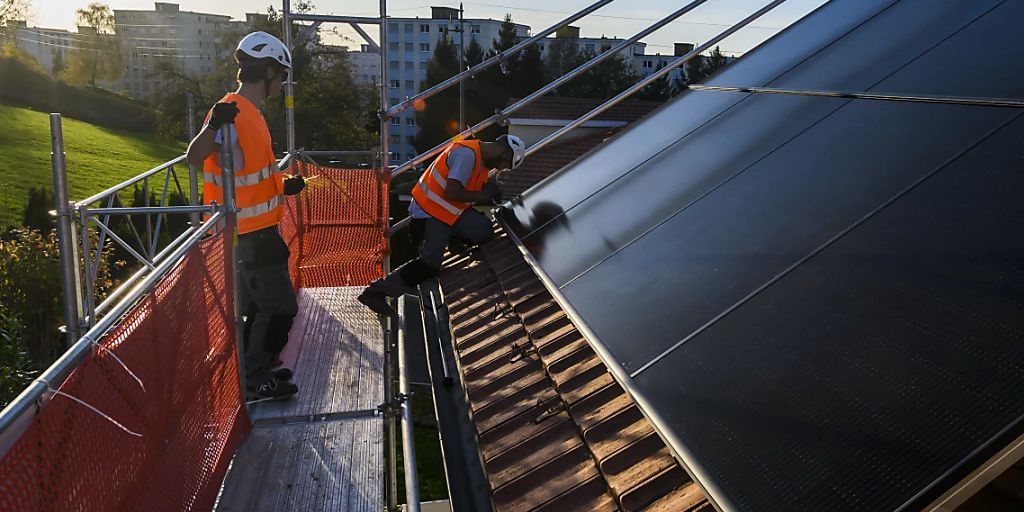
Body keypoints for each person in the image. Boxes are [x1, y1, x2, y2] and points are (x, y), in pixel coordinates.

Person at [186, 31, 307, 401]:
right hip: (246, 233)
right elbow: (195, 156)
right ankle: (254, 378)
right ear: (268, 71)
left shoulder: (249, 113)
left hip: (256, 228)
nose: (283, 82)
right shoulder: (232, 112)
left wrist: (281, 186)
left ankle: (258, 367)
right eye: (281, 74)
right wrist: (212, 125)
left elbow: (247, 173)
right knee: (280, 307)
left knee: (258, 310)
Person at [358, 134, 526, 316]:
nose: (501, 169)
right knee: (430, 264)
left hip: (447, 213)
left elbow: (464, 195)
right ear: (502, 153)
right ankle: (376, 292)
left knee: (483, 230)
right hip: (429, 214)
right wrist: (483, 196)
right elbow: (452, 192)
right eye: (504, 165)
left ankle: (453, 238)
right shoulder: (467, 156)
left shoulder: (481, 162)